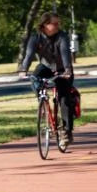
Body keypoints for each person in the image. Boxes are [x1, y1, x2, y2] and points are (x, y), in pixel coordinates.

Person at [20, 11, 76, 149]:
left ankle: (66, 132)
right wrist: (23, 69)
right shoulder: (36, 38)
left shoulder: (62, 37)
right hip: (46, 66)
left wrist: (67, 69)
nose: (58, 26)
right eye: (54, 23)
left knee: (64, 98)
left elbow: (65, 53)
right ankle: (42, 103)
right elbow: (29, 55)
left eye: (58, 23)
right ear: (45, 25)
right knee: (35, 77)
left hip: (63, 69)